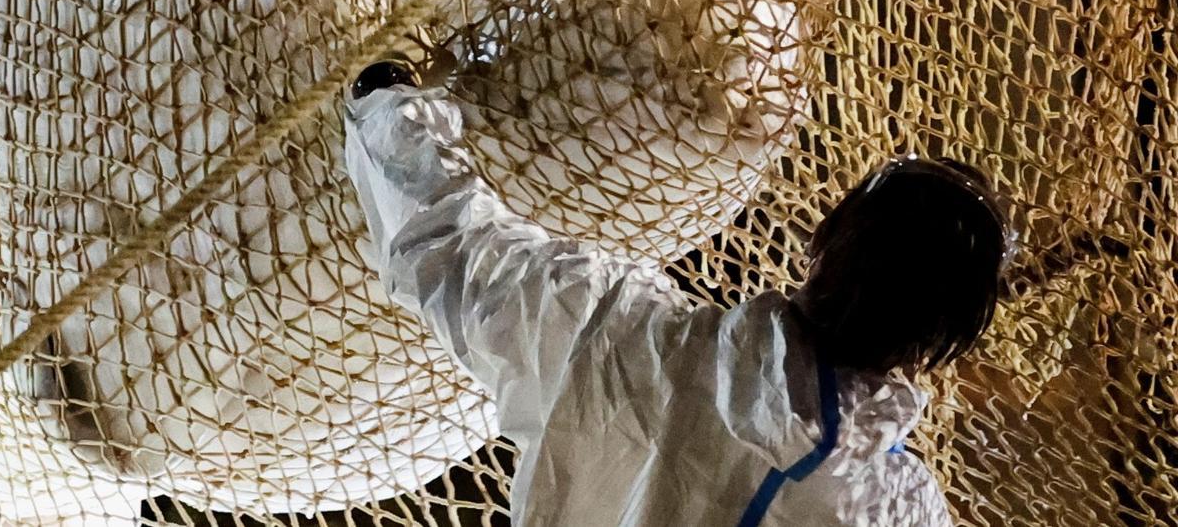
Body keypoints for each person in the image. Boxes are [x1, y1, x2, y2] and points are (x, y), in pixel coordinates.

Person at [343, 60, 1015, 526]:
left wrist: (386, 104)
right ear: (936, 347)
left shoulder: (629, 337)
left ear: (825, 237)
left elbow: (460, 255)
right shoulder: (896, 508)